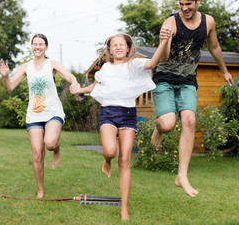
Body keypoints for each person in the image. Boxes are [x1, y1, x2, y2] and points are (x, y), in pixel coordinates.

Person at [71, 33, 171, 220]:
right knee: (110, 151)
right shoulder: (106, 68)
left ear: (128, 48)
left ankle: (123, 207)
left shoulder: (134, 64)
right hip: (108, 113)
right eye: (114, 45)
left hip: (128, 115)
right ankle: (107, 160)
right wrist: (80, 90)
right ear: (109, 49)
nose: (117, 47)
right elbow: (95, 85)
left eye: (121, 44)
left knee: (125, 160)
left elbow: (151, 64)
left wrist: (164, 42)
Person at [151, 0, 234, 198]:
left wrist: (224, 71)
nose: (184, 9)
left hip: (188, 79)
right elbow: (163, 58)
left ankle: (182, 176)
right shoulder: (170, 23)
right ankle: (158, 129)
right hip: (165, 78)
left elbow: (214, 47)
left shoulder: (208, 22)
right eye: (181, 5)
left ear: (199, 0)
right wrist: (164, 39)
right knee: (168, 124)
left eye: (188, 4)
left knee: (189, 121)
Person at [0, 33, 80, 198]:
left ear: (46, 47)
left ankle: (56, 147)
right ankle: (40, 191)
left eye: (41, 44)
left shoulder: (52, 64)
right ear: (32, 46)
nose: (38, 47)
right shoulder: (26, 67)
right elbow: (9, 88)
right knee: (37, 153)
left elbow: (68, 75)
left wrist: (74, 82)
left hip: (52, 111)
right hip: (34, 114)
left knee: (49, 143)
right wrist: (5, 76)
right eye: (35, 44)